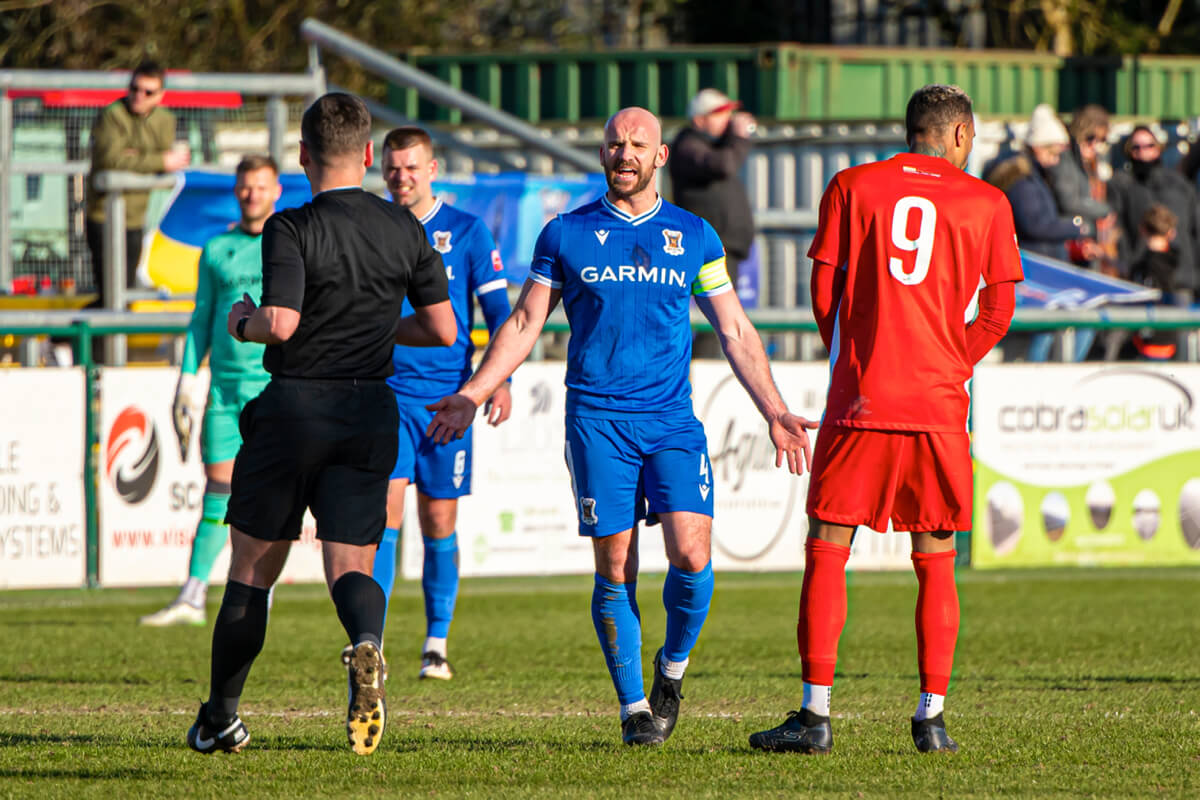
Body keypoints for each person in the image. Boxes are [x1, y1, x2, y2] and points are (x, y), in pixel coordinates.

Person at [426, 107, 818, 747]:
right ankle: (636, 707)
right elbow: (524, 323)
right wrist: (474, 391)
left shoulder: (695, 235)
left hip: (670, 421)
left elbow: (735, 329)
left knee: (692, 556)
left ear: (661, 156)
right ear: (603, 153)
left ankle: (671, 670)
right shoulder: (564, 234)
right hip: (597, 422)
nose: (625, 153)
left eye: (638, 144)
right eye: (615, 143)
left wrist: (774, 410)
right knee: (616, 566)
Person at [749, 84, 1023, 756]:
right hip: (937, 409)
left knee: (828, 549)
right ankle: (931, 720)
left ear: (914, 130)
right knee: (934, 558)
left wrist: (856, 360)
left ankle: (815, 718)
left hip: (861, 403)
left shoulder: (853, 185)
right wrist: (947, 364)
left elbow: (823, 290)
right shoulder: (987, 201)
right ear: (959, 134)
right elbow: (999, 308)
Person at [185, 93, 456, 758]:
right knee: (350, 564)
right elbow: (444, 329)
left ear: (303, 156)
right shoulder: (405, 228)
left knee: (251, 570)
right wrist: (371, 327)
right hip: (368, 411)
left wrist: (241, 320)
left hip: (294, 409)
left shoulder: (291, 225)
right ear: (368, 155)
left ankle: (220, 717)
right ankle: (366, 645)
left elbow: (280, 323)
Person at [372, 126, 514, 680]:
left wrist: (496, 379)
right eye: (392, 168)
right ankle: (372, 641)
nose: (401, 177)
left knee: (437, 519)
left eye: (412, 167)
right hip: (383, 392)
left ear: (433, 170)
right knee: (383, 514)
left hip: (447, 401)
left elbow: (501, 314)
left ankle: (436, 642)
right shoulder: (374, 226)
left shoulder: (468, 231)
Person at [139, 155, 282, 627]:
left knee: (271, 494)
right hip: (224, 392)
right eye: (245, 187)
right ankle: (193, 593)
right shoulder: (217, 248)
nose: (252, 195)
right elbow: (201, 317)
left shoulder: (287, 245)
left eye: (260, 187)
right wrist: (186, 377)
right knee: (219, 490)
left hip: (273, 390)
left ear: (276, 190)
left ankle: (261, 587)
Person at [986, 104, 1096, 362]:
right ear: (1038, 148)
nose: (1056, 160)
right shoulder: (1023, 182)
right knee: (1043, 333)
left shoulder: (1033, 177)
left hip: (1042, 271)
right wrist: (1075, 227)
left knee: (1049, 332)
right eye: (1053, 153)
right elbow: (1035, 224)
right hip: (1035, 275)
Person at [86, 59, 190, 310]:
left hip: (137, 219)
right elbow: (111, 159)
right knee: (111, 297)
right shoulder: (112, 115)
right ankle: (64, 337)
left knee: (125, 293)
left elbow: (172, 160)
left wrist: (135, 157)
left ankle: (66, 339)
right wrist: (157, 160)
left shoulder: (165, 120)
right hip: (104, 216)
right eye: (134, 89)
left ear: (160, 96)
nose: (139, 96)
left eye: (148, 92)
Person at [669, 88, 758, 355]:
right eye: (719, 114)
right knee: (717, 321)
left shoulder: (709, 144)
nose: (727, 119)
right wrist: (740, 137)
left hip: (724, 248)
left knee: (723, 322)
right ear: (698, 119)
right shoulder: (688, 146)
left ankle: (700, 371)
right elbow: (724, 165)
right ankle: (695, 375)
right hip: (708, 250)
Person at [1109, 125, 1199, 352]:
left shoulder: (1179, 185)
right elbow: (1117, 231)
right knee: (1133, 342)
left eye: (1149, 145)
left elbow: (1195, 230)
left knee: (1179, 343)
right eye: (1136, 147)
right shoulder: (1123, 185)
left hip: (1179, 276)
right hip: (1141, 278)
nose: (1143, 152)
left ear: (1158, 148)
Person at [1128, 204, 1180, 360]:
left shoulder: (1147, 267)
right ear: (1171, 234)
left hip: (1151, 338)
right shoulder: (1178, 263)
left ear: (1142, 230)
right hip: (1173, 336)